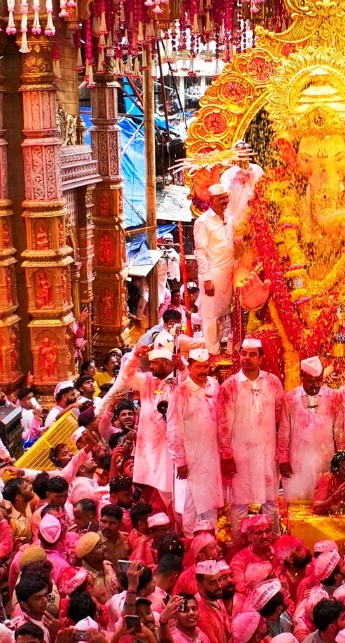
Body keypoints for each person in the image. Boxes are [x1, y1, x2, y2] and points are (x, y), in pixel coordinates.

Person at [217, 338, 286, 537]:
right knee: (239, 505)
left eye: (252, 354)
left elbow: (282, 418)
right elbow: (223, 425)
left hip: (267, 452)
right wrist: (227, 455)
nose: (246, 358)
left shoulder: (273, 382)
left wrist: (282, 453)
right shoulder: (230, 386)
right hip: (240, 455)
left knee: (271, 502)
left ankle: (273, 542)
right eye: (243, 354)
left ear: (261, 358)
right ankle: (239, 544)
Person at [107, 343, 181, 508]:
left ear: (168, 364)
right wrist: (135, 357)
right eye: (151, 363)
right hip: (148, 444)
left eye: (155, 363)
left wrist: (182, 368)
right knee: (149, 486)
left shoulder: (178, 381)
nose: (152, 366)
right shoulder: (146, 380)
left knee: (170, 488)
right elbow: (127, 377)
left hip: (168, 445)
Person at [168, 347, 224, 534]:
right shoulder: (181, 392)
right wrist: (179, 460)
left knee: (211, 500)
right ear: (190, 368)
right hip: (191, 457)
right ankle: (190, 540)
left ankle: (211, 538)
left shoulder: (214, 385)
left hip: (212, 455)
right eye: (198, 367)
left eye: (206, 366)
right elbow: (174, 427)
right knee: (191, 501)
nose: (202, 371)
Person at [279, 356, 340, 502]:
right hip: (297, 460)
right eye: (311, 381)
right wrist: (283, 459)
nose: (315, 385)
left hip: (325, 459)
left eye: (319, 380)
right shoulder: (290, 398)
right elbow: (283, 431)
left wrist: (340, 458)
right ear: (301, 377)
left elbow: (338, 431)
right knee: (297, 501)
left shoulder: (333, 397)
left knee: (323, 500)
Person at [195, 184, 236, 349]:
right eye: (221, 199)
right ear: (212, 200)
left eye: (226, 197)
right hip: (213, 274)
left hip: (228, 273)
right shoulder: (203, 222)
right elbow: (200, 252)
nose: (225, 201)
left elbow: (229, 243)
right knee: (211, 315)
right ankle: (211, 353)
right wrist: (206, 279)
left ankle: (217, 348)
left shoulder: (229, 218)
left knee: (222, 315)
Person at [221, 140, 265, 230]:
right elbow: (224, 200)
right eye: (239, 151)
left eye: (245, 149)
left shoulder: (257, 170)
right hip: (236, 222)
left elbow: (265, 192)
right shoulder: (228, 175)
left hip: (257, 221)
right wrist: (229, 223)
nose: (243, 154)